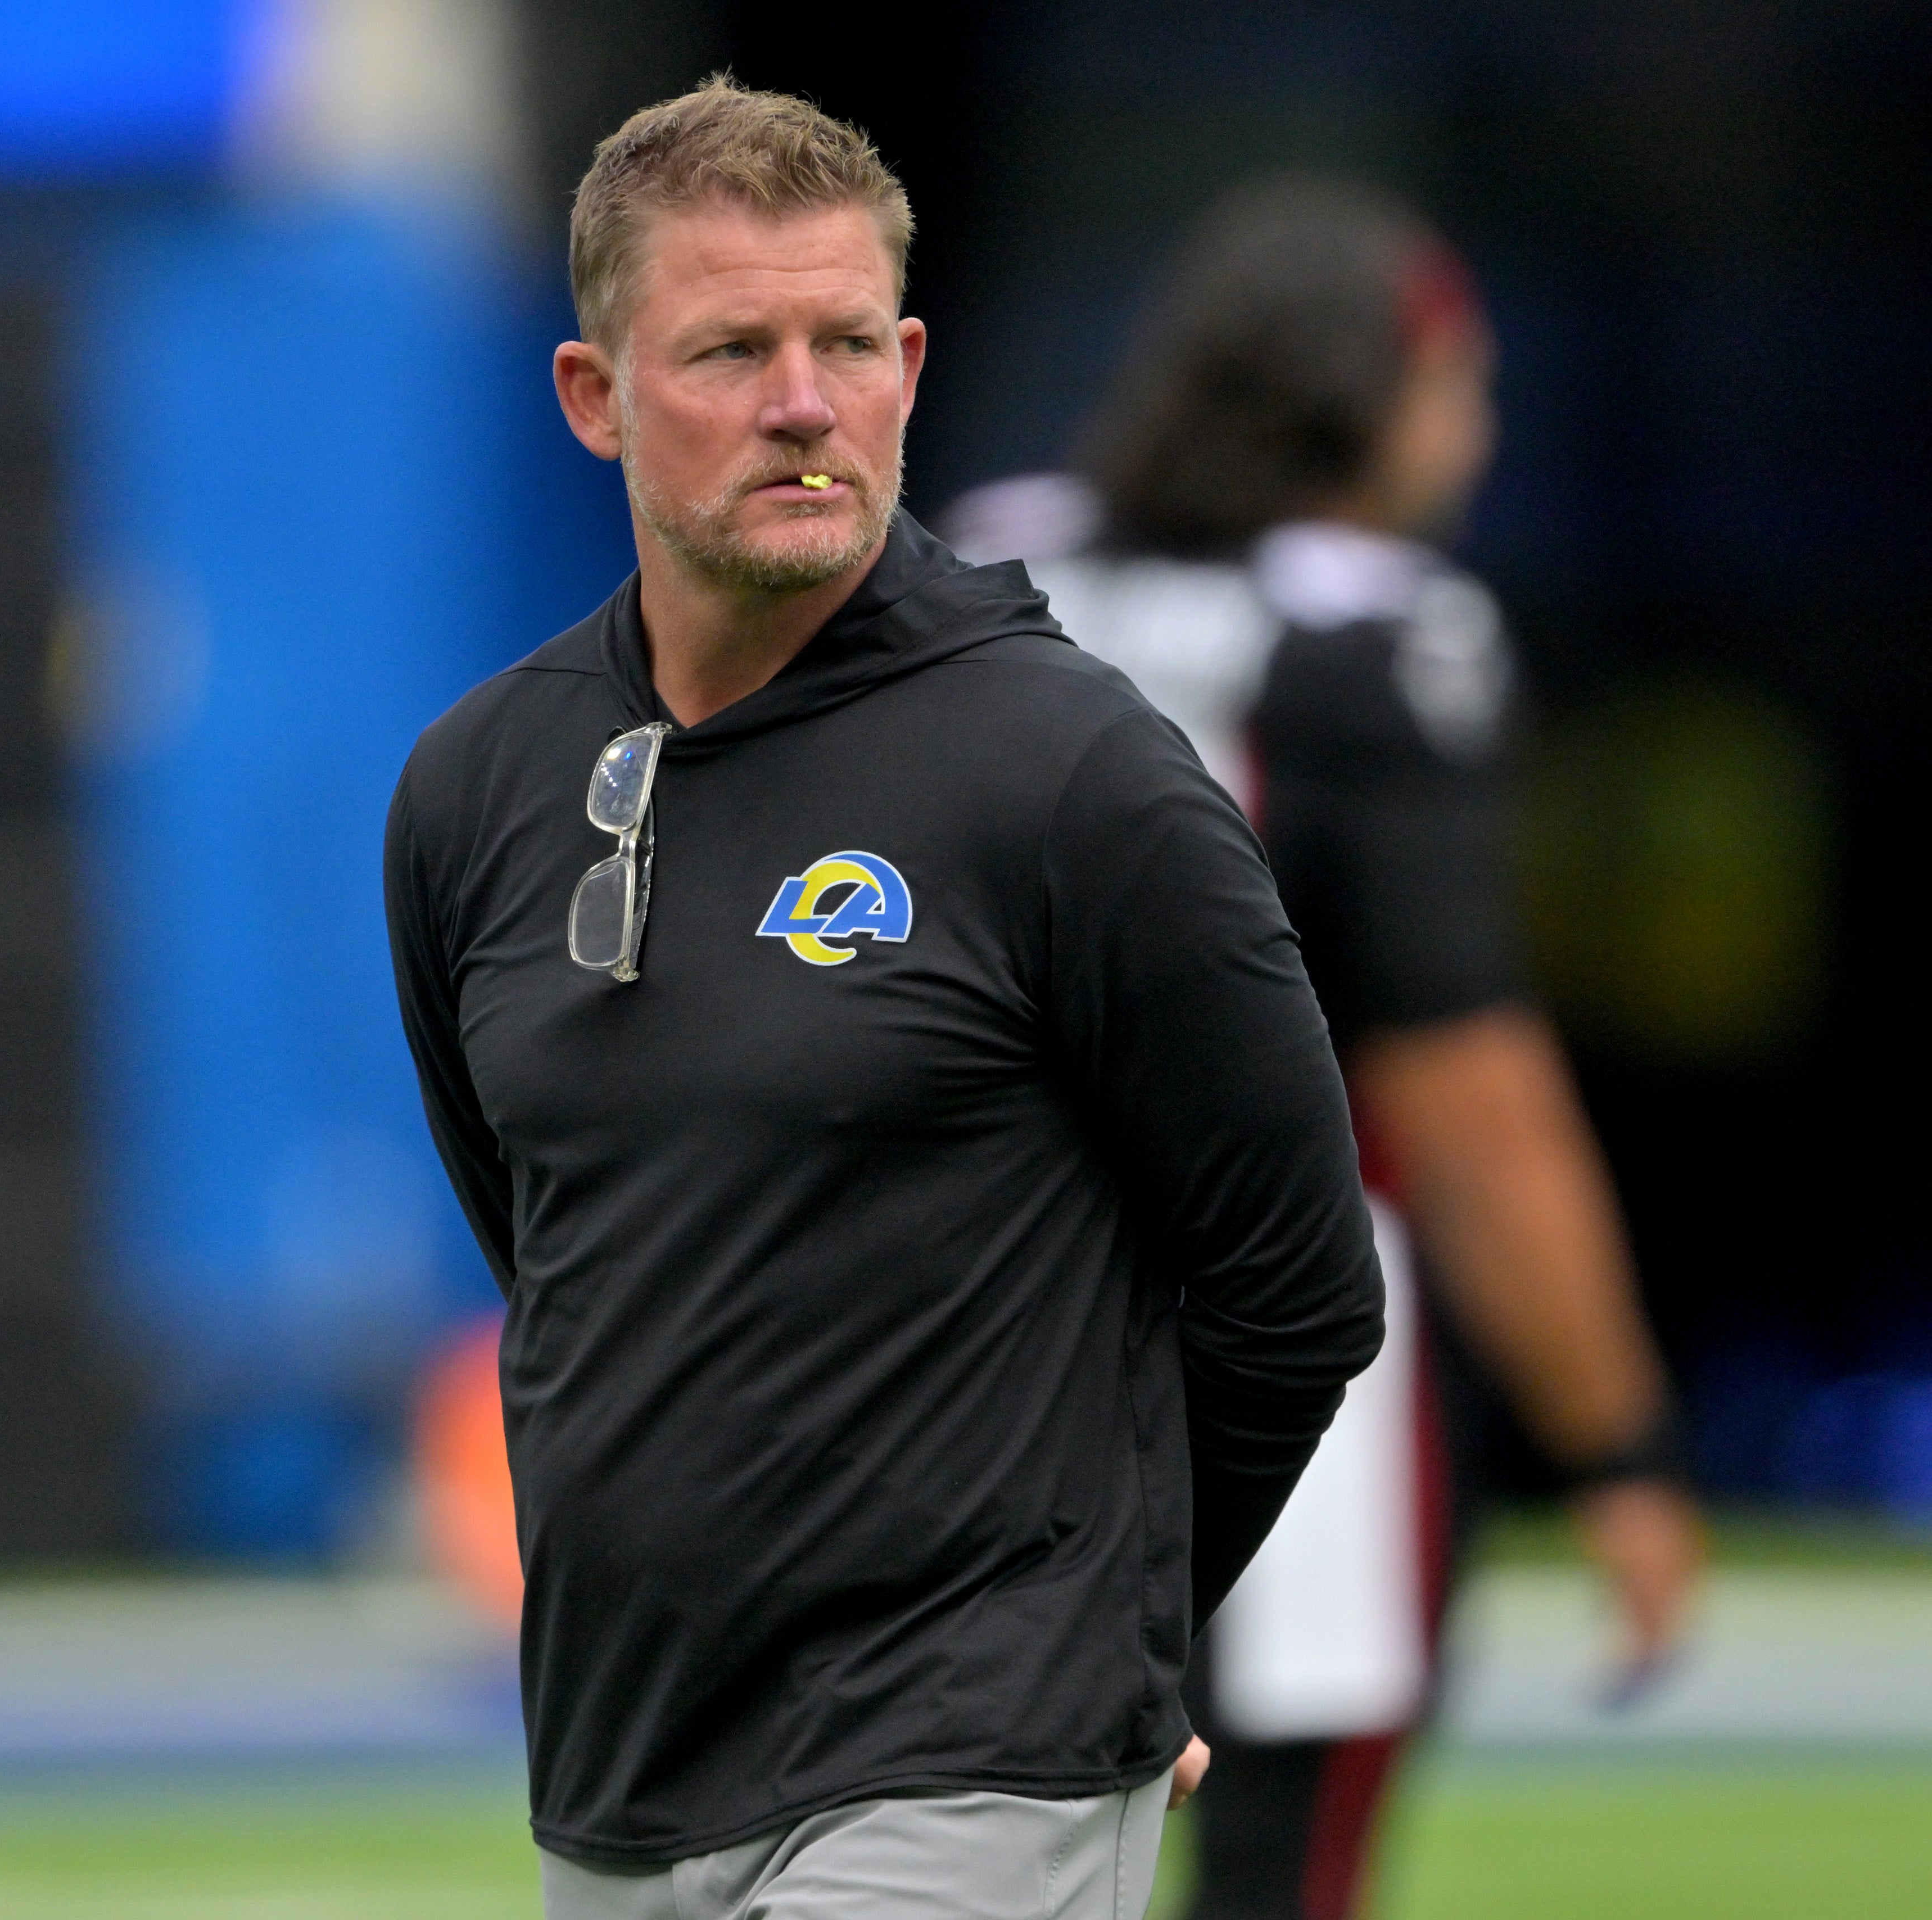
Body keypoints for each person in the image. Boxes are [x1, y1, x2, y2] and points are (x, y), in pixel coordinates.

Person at [384, 81, 1386, 1920]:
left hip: (970, 1754)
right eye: (730, 349)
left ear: (909, 367)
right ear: (594, 396)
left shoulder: (1074, 775)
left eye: (846, 342)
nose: (801, 400)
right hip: (622, 1769)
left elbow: (1301, 1283)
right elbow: (563, 1251)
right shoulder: (475, 792)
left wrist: (1125, 1624)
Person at [945, 177, 1705, 1920]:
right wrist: (1623, 1449)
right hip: (1291, 1335)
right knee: (1284, 1860)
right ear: (1368, 394)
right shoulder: (1378, 635)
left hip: (973, 1315)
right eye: (1461, 380)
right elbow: (1478, 1100)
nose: (1482, 422)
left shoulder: (987, 561)